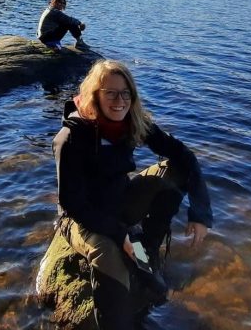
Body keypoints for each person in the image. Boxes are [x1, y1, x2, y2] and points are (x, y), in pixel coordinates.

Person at [52, 59, 213, 330]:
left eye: (126, 93)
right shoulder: (71, 137)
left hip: (121, 205)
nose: (119, 101)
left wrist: (200, 213)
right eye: (110, 93)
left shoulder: (133, 121)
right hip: (82, 219)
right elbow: (72, 203)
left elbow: (184, 156)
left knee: (174, 173)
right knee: (114, 267)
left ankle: (146, 249)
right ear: (95, 95)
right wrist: (118, 234)